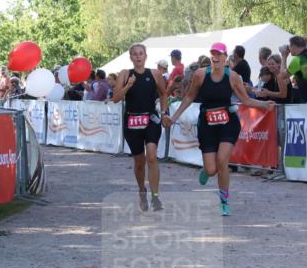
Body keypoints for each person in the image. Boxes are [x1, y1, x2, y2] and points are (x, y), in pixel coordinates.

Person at [164, 41, 276, 216]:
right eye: (213, 54)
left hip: (227, 123)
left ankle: (224, 201)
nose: (215, 57)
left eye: (219, 54)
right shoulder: (200, 75)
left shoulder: (233, 76)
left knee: (223, 161)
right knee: (211, 169)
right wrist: (173, 117)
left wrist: (263, 104)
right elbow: (189, 98)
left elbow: (245, 100)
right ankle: (207, 170)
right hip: (207, 124)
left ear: (225, 57)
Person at [112, 43, 169, 212]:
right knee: (139, 162)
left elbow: (163, 93)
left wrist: (164, 113)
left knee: (151, 156)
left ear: (145, 56)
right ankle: (142, 191)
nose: (138, 56)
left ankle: (155, 196)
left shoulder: (155, 73)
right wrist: (128, 86)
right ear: (130, 57)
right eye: (135, 54)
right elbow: (116, 98)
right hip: (132, 121)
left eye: (141, 53)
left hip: (150, 119)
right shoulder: (124, 74)